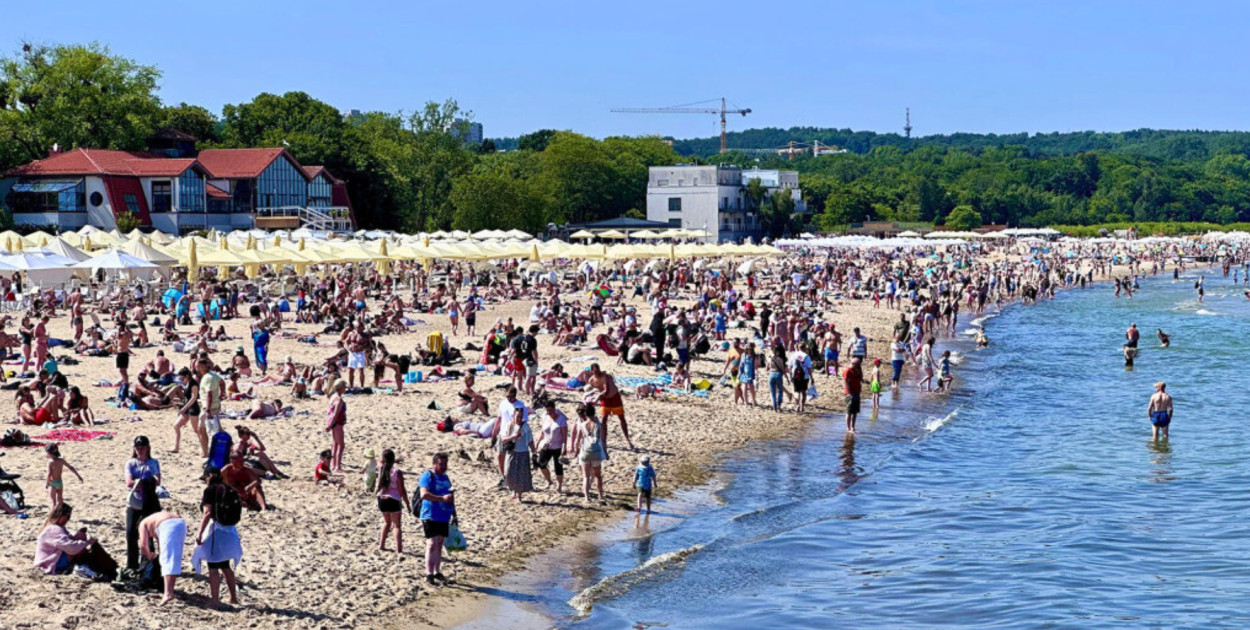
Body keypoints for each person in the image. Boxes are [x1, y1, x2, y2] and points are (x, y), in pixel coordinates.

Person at [194, 466, 243, 607]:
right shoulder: (228, 488)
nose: (205, 481)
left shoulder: (209, 491)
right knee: (225, 566)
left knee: (213, 567)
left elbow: (207, 513)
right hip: (230, 531)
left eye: (205, 478)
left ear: (209, 476)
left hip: (216, 531)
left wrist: (200, 533)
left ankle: (215, 599)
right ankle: (233, 597)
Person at [125, 436, 162, 571]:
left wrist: (142, 481)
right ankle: (132, 564)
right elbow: (129, 482)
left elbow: (158, 480)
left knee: (149, 535)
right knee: (131, 533)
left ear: (147, 448)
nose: (140, 450)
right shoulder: (131, 463)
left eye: (142, 447)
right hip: (134, 503)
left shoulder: (153, 462)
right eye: (137, 447)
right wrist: (144, 481)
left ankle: (148, 564)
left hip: (149, 502)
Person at [418, 452, 455, 586]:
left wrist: (454, 514)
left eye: (445, 464)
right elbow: (424, 495)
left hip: (444, 515)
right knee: (432, 543)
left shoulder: (446, 478)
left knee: (439, 544)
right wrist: (441, 499)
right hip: (430, 514)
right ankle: (429, 573)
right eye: (441, 464)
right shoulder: (428, 476)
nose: (443, 467)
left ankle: (436, 571)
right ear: (434, 464)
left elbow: (451, 496)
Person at [138, 510, 187, 606]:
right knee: (173, 558)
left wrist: (149, 556)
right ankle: (169, 589)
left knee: (167, 560)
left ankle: (168, 593)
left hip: (168, 525)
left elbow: (143, 545)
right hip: (180, 523)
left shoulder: (142, 524)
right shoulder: (153, 520)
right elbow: (161, 545)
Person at [33, 503, 97, 576]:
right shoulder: (53, 529)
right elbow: (70, 547)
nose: (68, 520)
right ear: (61, 516)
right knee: (81, 548)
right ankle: (81, 568)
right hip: (49, 563)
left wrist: (80, 535)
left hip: (51, 557)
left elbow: (67, 540)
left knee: (81, 537)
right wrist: (87, 543)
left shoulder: (55, 526)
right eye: (68, 517)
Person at [587, 363, 635, 451]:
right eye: (595, 371)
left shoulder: (605, 376)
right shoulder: (591, 380)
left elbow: (606, 390)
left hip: (614, 397)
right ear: (592, 371)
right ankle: (604, 441)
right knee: (604, 419)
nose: (597, 372)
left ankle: (627, 439)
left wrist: (597, 397)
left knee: (622, 418)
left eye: (598, 370)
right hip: (605, 400)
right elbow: (594, 390)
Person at [375, 448, 411, 553]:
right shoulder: (396, 472)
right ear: (393, 459)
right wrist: (407, 504)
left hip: (381, 498)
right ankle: (399, 549)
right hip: (393, 499)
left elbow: (380, 461)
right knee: (396, 525)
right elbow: (402, 490)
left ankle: (381, 545)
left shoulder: (380, 467)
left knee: (386, 522)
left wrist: (391, 460)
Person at [500, 396, 535, 502]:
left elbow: (530, 440)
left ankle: (519, 495)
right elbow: (503, 439)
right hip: (512, 452)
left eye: (520, 417)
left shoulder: (525, 427)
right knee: (509, 473)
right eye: (517, 417)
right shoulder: (508, 426)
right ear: (513, 416)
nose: (519, 419)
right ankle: (513, 490)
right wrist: (513, 437)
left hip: (523, 452)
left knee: (521, 475)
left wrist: (534, 451)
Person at [573, 403, 607, 504]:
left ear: (585, 414)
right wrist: (606, 452)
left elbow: (577, 441)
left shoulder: (582, 425)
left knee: (586, 476)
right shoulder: (598, 425)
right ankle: (600, 496)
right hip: (596, 451)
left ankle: (587, 498)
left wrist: (577, 451)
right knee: (597, 476)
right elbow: (603, 440)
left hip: (585, 452)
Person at [534, 398, 568, 493]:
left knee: (558, 467)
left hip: (557, 447)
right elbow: (542, 432)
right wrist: (538, 442)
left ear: (554, 409)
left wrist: (564, 446)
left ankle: (559, 486)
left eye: (551, 410)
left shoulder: (561, 420)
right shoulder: (546, 417)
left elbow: (565, 435)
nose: (549, 412)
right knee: (541, 463)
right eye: (547, 410)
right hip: (546, 446)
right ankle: (549, 481)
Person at [45, 444, 81, 509]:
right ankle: (60, 514)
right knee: (60, 499)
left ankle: (53, 516)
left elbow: (49, 473)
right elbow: (71, 467)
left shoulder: (50, 462)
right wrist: (78, 476)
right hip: (59, 483)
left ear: (49, 453)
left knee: (53, 501)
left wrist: (47, 482)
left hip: (52, 483)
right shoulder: (61, 460)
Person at [326, 379, 348, 472]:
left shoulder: (333, 396)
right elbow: (335, 414)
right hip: (337, 423)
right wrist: (330, 425)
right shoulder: (338, 400)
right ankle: (337, 466)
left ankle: (333, 464)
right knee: (341, 445)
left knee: (334, 444)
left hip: (333, 423)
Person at [843, 357, 863, 433]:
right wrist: (850, 393)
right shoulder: (847, 371)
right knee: (849, 411)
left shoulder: (857, 370)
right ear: (853, 364)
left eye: (859, 365)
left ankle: (853, 427)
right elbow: (846, 382)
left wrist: (859, 370)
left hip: (857, 392)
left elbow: (861, 378)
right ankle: (848, 428)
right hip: (850, 393)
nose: (859, 366)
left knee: (855, 412)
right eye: (858, 365)